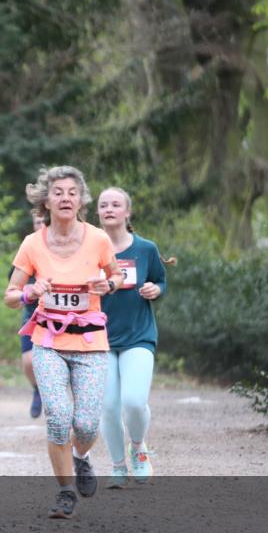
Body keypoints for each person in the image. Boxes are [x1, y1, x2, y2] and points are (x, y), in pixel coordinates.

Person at [4, 166, 123, 519]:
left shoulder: (98, 239)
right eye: (58, 192)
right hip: (48, 341)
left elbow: (116, 275)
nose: (66, 198)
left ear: (81, 200)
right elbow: (11, 295)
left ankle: (81, 456)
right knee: (58, 417)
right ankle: (65, 491)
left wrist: (109, 285)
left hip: (90, 342)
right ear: (46, 201)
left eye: (72, 192)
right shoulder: (32, 243)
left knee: (86, 424)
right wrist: (30, 291)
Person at [96, 187, 168, 488]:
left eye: (115, 204)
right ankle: (117, 466)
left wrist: (155, 289)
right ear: (97, 212)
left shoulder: (146, 248)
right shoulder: (89, 248)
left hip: (138, 335)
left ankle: (138, 447)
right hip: (98, 338)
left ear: (127, 212)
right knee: (109, 406)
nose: (109, 209)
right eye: (103, 205)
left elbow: (160, 280)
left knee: (134, 402)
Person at [19, 212, 47, 419]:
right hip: (33, 315)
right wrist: (25, 293)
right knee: (29, 362)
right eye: (38, 222)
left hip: (62, 317)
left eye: (45, 221)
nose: (42, 225)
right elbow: (14, 284)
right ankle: (37, 389)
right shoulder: (28, 248)